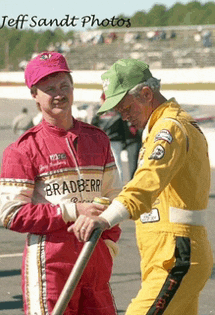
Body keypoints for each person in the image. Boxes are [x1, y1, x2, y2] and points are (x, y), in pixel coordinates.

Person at [69, 58, 213, 315]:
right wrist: (102, 205)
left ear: (146, 94)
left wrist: (106, 219)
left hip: (175, 256)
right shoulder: (163, 126)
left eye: (125, 107)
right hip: (168, 253)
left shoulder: (169, 128)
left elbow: (147, 182)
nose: (123, 116)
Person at [0, 51, 122, 315]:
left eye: (64, 85)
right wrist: (74, 210)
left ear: (72, 87)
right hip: (50, 266)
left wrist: (108, 246)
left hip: (95, 257)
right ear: (34, 95)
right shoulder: (22, 149)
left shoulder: (97, 139)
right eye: (49, 88)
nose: (59, 94)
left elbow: (115, 196)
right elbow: (10, 214)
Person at [91, 92, 128, 184]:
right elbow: (123, 128)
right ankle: (119, 184)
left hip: (104, 141)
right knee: (117, 164)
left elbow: (92, 127)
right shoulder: (117, 111)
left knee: (104, 164)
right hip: (115, 141)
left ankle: (111, 184)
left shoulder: (99, 112)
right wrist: (124, 141)